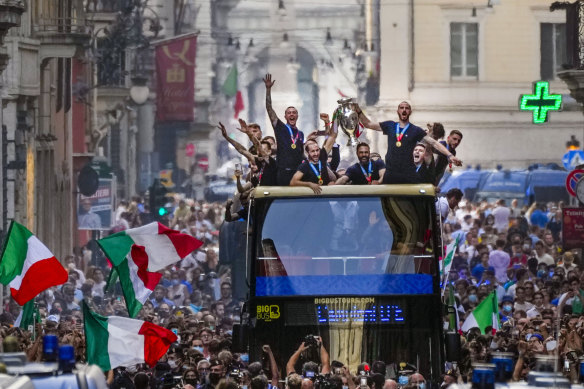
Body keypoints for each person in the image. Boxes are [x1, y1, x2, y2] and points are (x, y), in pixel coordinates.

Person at [354, 101, 462, 184]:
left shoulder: (415, 130)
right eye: (401, 108)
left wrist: (450, 155)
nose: (404, 110)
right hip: (391, 174)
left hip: (408, 174)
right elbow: (368, 124)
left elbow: (434, 143)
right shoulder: (390, 125)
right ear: (398, 111)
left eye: (407, 108)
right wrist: (358, 110)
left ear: (410, 112)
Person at [263, 74, 305, 185]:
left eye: (294, 112)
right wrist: (268, 89)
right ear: (285, 116)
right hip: (283, 172)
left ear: (297, 116)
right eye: (289, 113)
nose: (292, 114)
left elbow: (301, 153)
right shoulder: (280, 128)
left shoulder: (300, 134)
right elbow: (269, 108)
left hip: (297, 173)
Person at [290, 114, 338, 194]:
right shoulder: (305, 166)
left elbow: (333, 135)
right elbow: (293, 182)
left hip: (325, 197)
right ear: (308, 152)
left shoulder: (322, 156)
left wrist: (335, 119)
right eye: (312, 151)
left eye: (317, 150)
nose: (316, 153)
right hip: (311, 199)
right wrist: (309, 184)